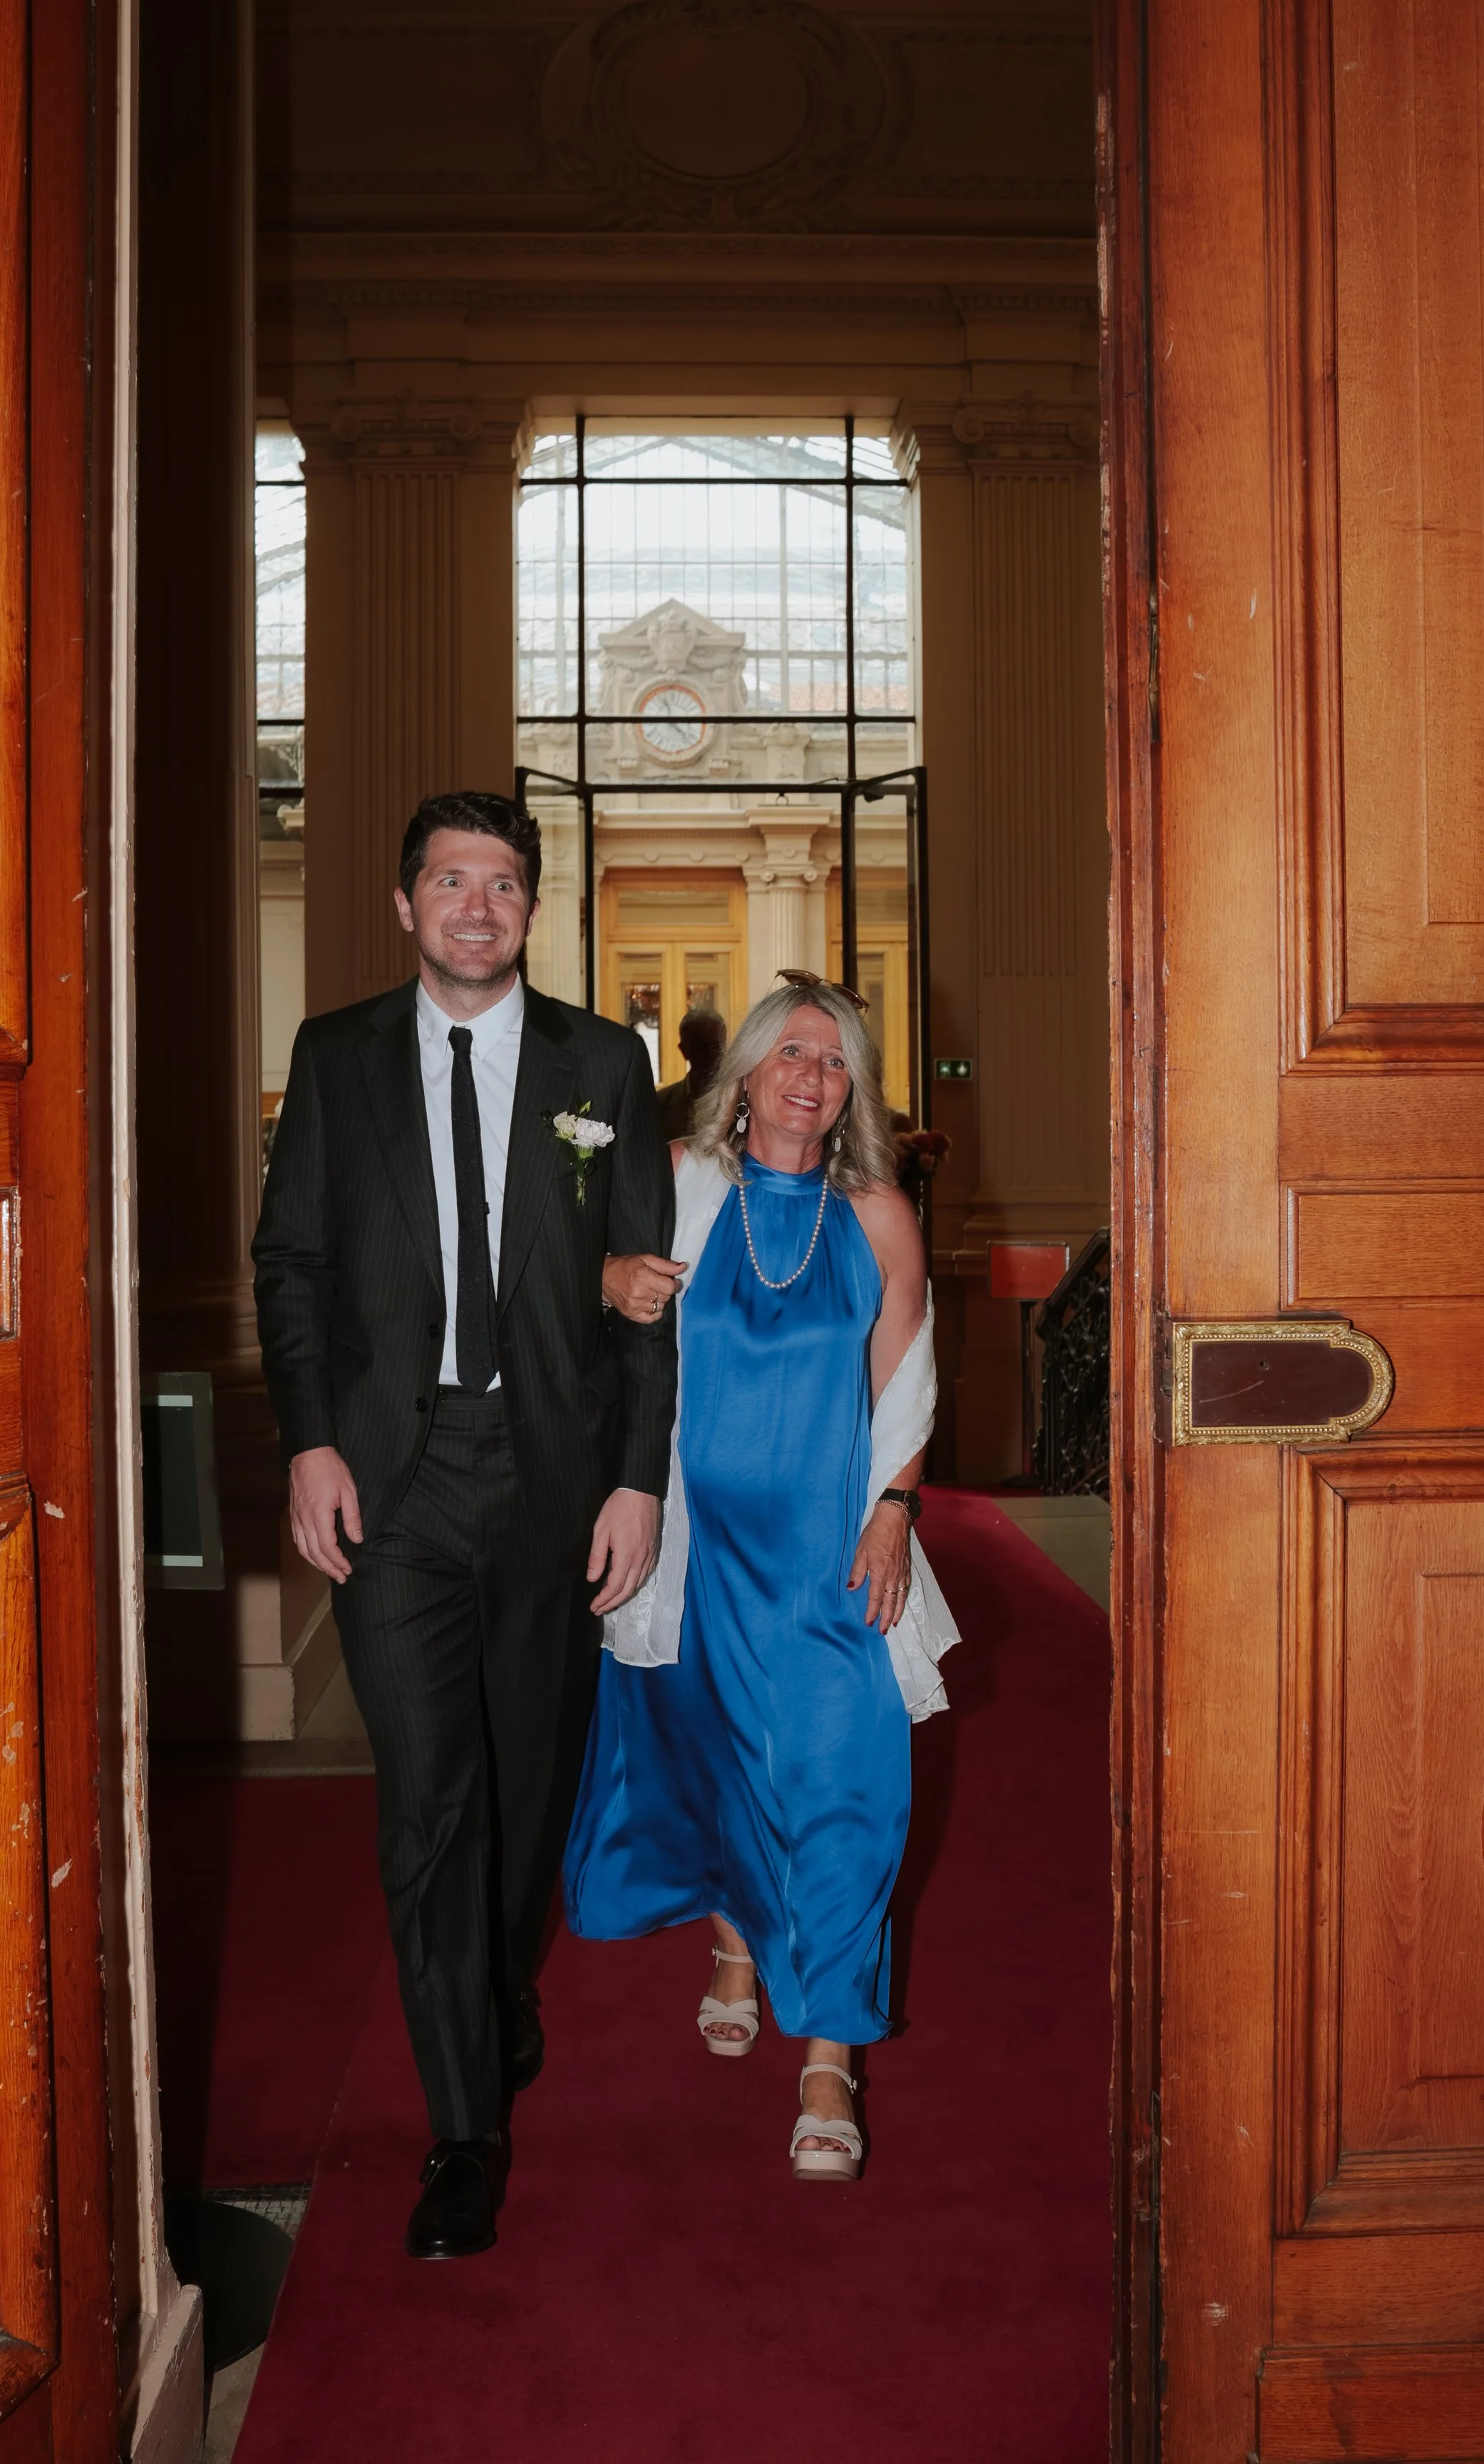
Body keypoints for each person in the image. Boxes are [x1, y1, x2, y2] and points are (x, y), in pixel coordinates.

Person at [252, 791, 675, 2259]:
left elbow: (641, 1295)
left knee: (530, 1775)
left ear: (530, 908)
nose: (476, 905)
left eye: (502, 882)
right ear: (402, 902)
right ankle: (463, 2130)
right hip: (393, 1483)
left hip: (554, 1479)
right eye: (450, 880)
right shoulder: (334, 1058)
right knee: (432, 1798)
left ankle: (500, 1979)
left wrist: (635, 1479)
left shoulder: (602, 1065)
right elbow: (292, 1265)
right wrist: (307, 1441)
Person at [566, 975, 958, 2180]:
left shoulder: (880, 1214)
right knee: (712, 1759)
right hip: (695, 1554)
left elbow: (907, 1379)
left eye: (834, 1061)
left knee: (851, 1789)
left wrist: (896, 1510)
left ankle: (832, 2057)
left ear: (852, 1093)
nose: (810, 1075)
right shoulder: (683, 1186)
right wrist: (604, 1280)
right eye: (790, 1052)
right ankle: (736, 1939)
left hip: (831, 1555)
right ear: (744, 1072)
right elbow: (574, 1292)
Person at [654, 1007, 727, 1140]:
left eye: (715, 1046)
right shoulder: (659, 1104)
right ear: (684, 1050)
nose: (709, 1055)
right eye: (701, 1047)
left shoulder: (744, 1101)